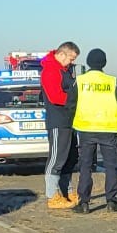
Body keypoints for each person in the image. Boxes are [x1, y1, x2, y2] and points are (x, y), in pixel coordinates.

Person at [71, 49, 117, 214]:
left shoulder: (80, 81)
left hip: (86, 129)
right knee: (111, 166)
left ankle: (84, 203)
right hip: (109, 129)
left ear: (88, 62)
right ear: (104, 63)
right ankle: (112, 201)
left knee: (85, 167)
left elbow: (70, 104)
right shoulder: (112, 81)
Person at [39, 41, 80, 209]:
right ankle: (52, 195)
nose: (71, 62)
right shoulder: (50, 70)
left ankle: (68, 192)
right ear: (62, 54)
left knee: (69, 158)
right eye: (71, 58)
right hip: (58, 121)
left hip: (69, 121)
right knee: (56, 159)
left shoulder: (65, 70)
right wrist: (75, 99)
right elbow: (56, 96)